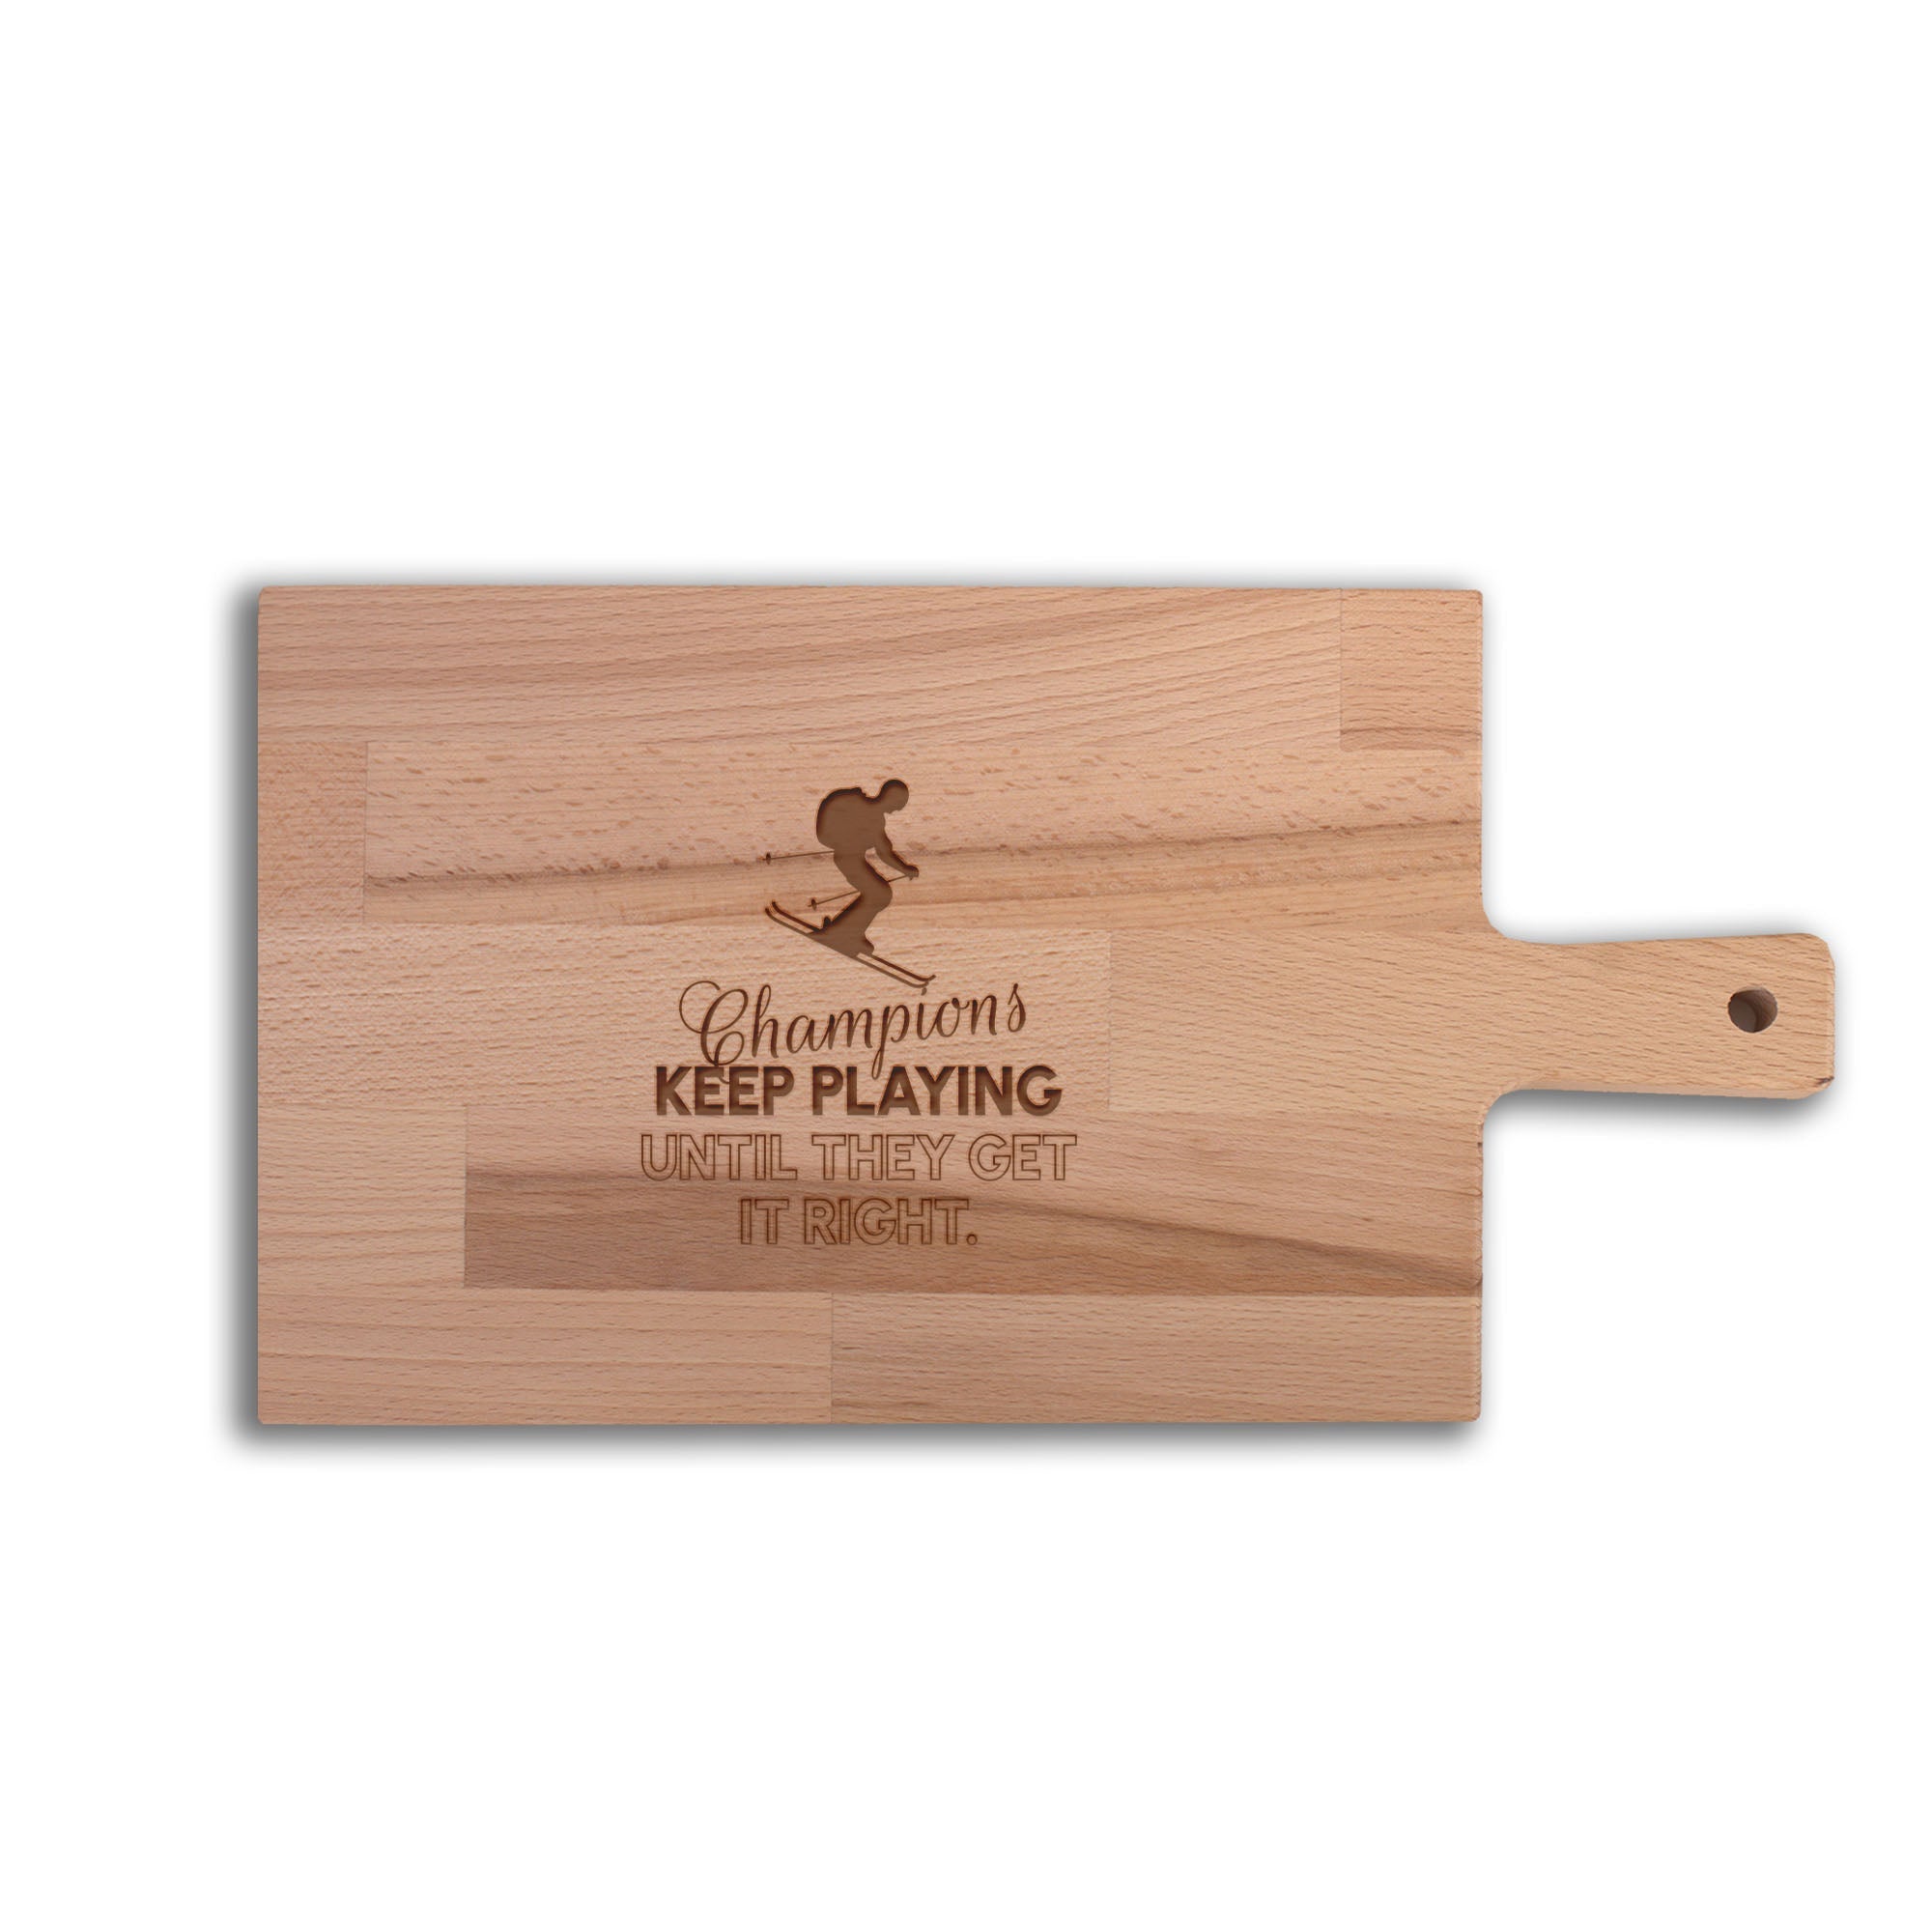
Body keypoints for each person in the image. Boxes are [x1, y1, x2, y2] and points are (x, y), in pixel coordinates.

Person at [813, 781, 918, 954]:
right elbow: (885, 853)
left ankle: (847, 931)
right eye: (898, 805)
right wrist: (905, 869)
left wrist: (905, 868)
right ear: (891, 798)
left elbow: (885, 851)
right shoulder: (868, 814)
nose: (896, 810)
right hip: (848, 860)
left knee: (878, 894)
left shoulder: (868, 812)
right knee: (879, 895)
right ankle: (839, 933)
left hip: (852, 859)